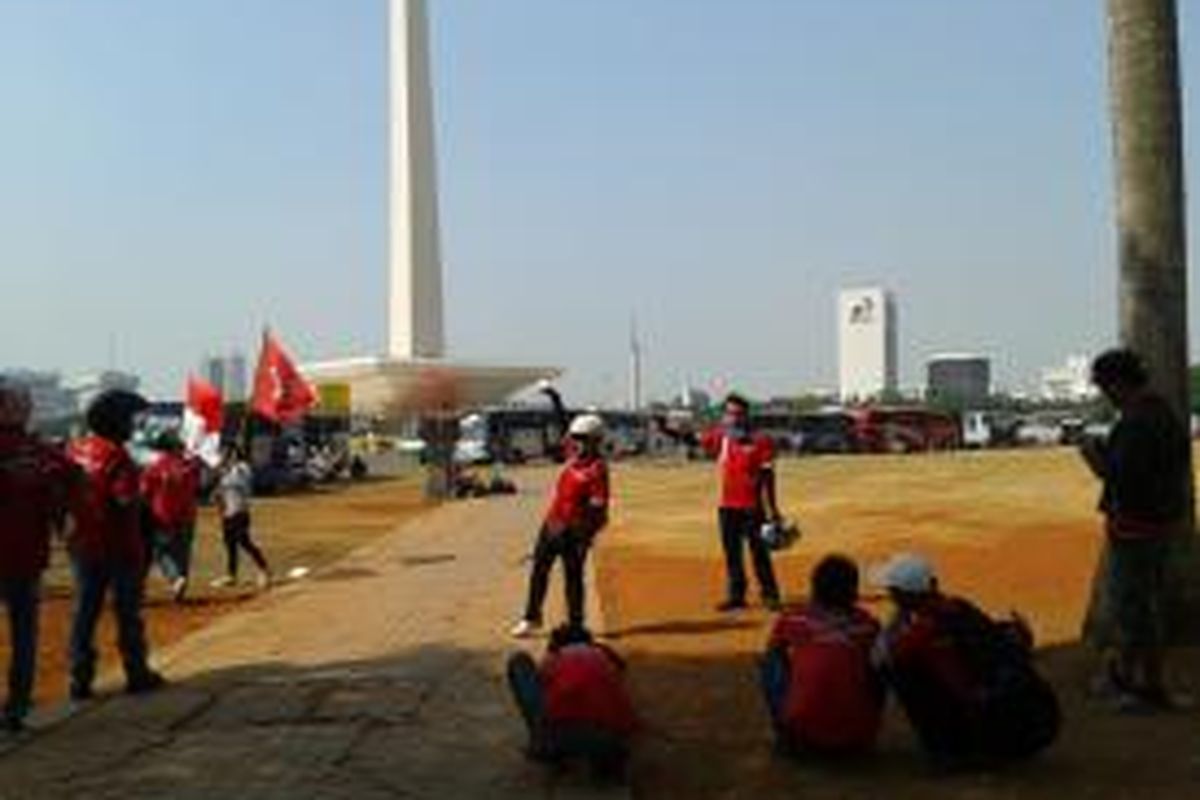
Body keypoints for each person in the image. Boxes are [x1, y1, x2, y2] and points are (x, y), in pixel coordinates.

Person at [1079, 348, 1190, 710]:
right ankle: (1135, 679)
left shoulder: (1136, 422)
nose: (1103, 395)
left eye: (1104, 386)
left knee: (1134, 610)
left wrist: (1092, 455)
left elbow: (1119, 474)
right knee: (1143, 606)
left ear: (1118, 383)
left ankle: (1140, 687)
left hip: (1134, 527)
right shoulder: (1163, 415)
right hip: (1159, 524)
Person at [872, 554, 1059, 766]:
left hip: (980, 729)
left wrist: (897, 616)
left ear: (901, 596)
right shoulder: (959, 607)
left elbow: (878, 657)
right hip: (1015, 724)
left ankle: (947, 750)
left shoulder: (922, 629)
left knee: (898, 669)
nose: (889, 594)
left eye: (892, 592)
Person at [66, 389, 165, 700]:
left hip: (83, 546)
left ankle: (79, 678)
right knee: (127, 613)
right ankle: (137, 672)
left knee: (85, 612)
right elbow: (125, 502)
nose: (132, 426)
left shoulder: (76, 450)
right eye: (128, 419)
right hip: (120, 548)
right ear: (114, 421)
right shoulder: (117, 457)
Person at [0, 379, 75, 731]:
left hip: (23, 556)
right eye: (23, 403)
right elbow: (70, 481)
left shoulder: (40, 452)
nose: (29, 407)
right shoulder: (41, 453)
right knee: (24, 634)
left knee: (25, 632)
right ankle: (16, 707)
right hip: (26, 558)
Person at [761, 555, 883, 755]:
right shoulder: (867, 625)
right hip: (857, 739)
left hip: (803, 738)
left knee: (771, 659)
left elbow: (775, 649)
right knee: (877, 663)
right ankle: (864, 725)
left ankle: (785, 731)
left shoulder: (794, 619)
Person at [511, 414, 610, 638]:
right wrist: (554, 398)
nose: (577, 443)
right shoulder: (572, 456)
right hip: (551, 525)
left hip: (575, 532)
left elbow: (599, 507)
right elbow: (561, 421)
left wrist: (586, 537)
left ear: (596, 441)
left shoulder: (597, 470)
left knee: (573, 579)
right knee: (539, 572)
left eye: (583, 439)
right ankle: (531, 618)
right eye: (576, 438)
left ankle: (576, 625)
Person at [507, 624, 637, 781]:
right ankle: (602, 757)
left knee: (519, 661)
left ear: (557, 645)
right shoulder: (604, 657)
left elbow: (543, 687)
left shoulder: (556, 657)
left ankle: (546, 743)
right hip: (611, 738)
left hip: (557, 734)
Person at [701, 393, 782, 611]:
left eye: (738, 414)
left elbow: (768, 478)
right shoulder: (721, 438)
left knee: (759, 553)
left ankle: (770, 595)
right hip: (727, 507)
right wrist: (666, 429)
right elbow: (695, 439)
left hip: (753, 507)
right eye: (729, 413)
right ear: (724, 416)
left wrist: (773, 509)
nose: (733, 418)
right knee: (732, 555)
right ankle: (736, 596)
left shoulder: (761, 441)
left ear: (747, 416)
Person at [139, 430, 201, 602]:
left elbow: (144, 493)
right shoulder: (189, 467)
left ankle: (175, 579)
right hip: (187, 516)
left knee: (161, 553)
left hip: (162, 517)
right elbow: (198, 486)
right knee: (183, 552)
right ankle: (181, 583)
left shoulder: (154, 469)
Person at [212, 445, 271, 589]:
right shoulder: (225, 471)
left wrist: (227, 472)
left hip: (240, 511)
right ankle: (231, 575)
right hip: (227, 512)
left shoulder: (242, 468)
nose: (224, 457)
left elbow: (243, 485)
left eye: (227, 454)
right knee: (230, 545)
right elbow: (219, 492)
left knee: (244, 542)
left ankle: (264, 569)